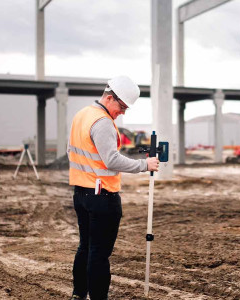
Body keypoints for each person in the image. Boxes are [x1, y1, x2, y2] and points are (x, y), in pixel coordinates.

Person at [67, 75, 160, 300]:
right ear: (110, 98)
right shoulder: (102, 122)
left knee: (85, 248)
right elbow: (111, 160)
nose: (123, 112)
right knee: (99, 254)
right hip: (102, 196)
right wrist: (143, 165)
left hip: (81, 193)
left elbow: (72, 151)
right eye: (122, 106)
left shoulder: (82, 115)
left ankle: (78, 295)